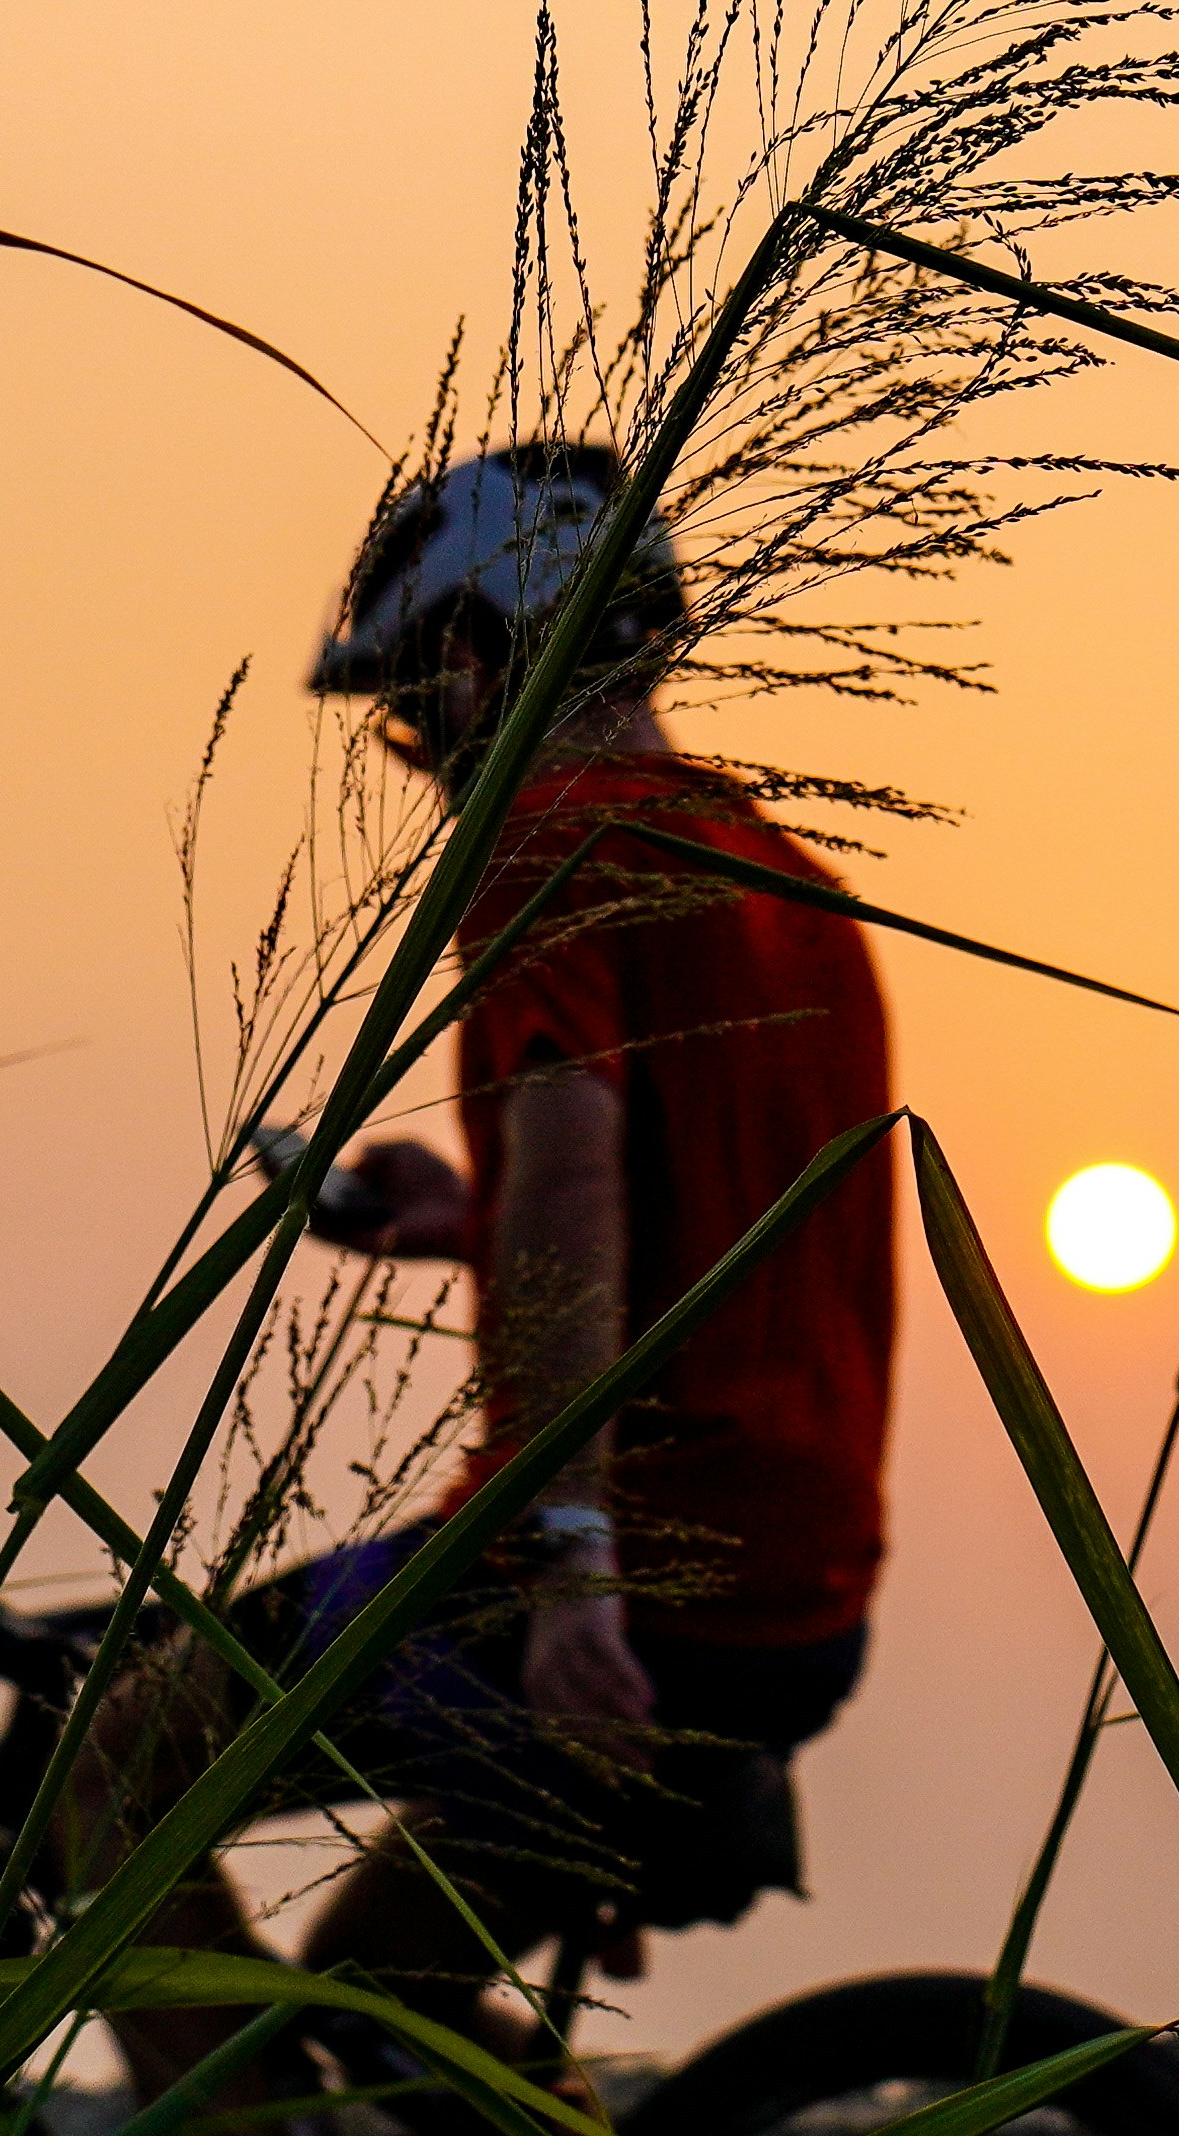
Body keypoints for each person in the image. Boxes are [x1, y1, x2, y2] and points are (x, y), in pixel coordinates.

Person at [74, 441, 901, 2104]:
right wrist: (469, 1214)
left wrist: (579, 1557)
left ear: (468, 656)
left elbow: (584, 1178)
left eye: (409, 706)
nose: (417, 753)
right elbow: (715, 1216)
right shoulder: (777, 877)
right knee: (378, 2005)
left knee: (109, 1769)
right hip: (795, 1591)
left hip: (612, 1568)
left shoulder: (552, 841)